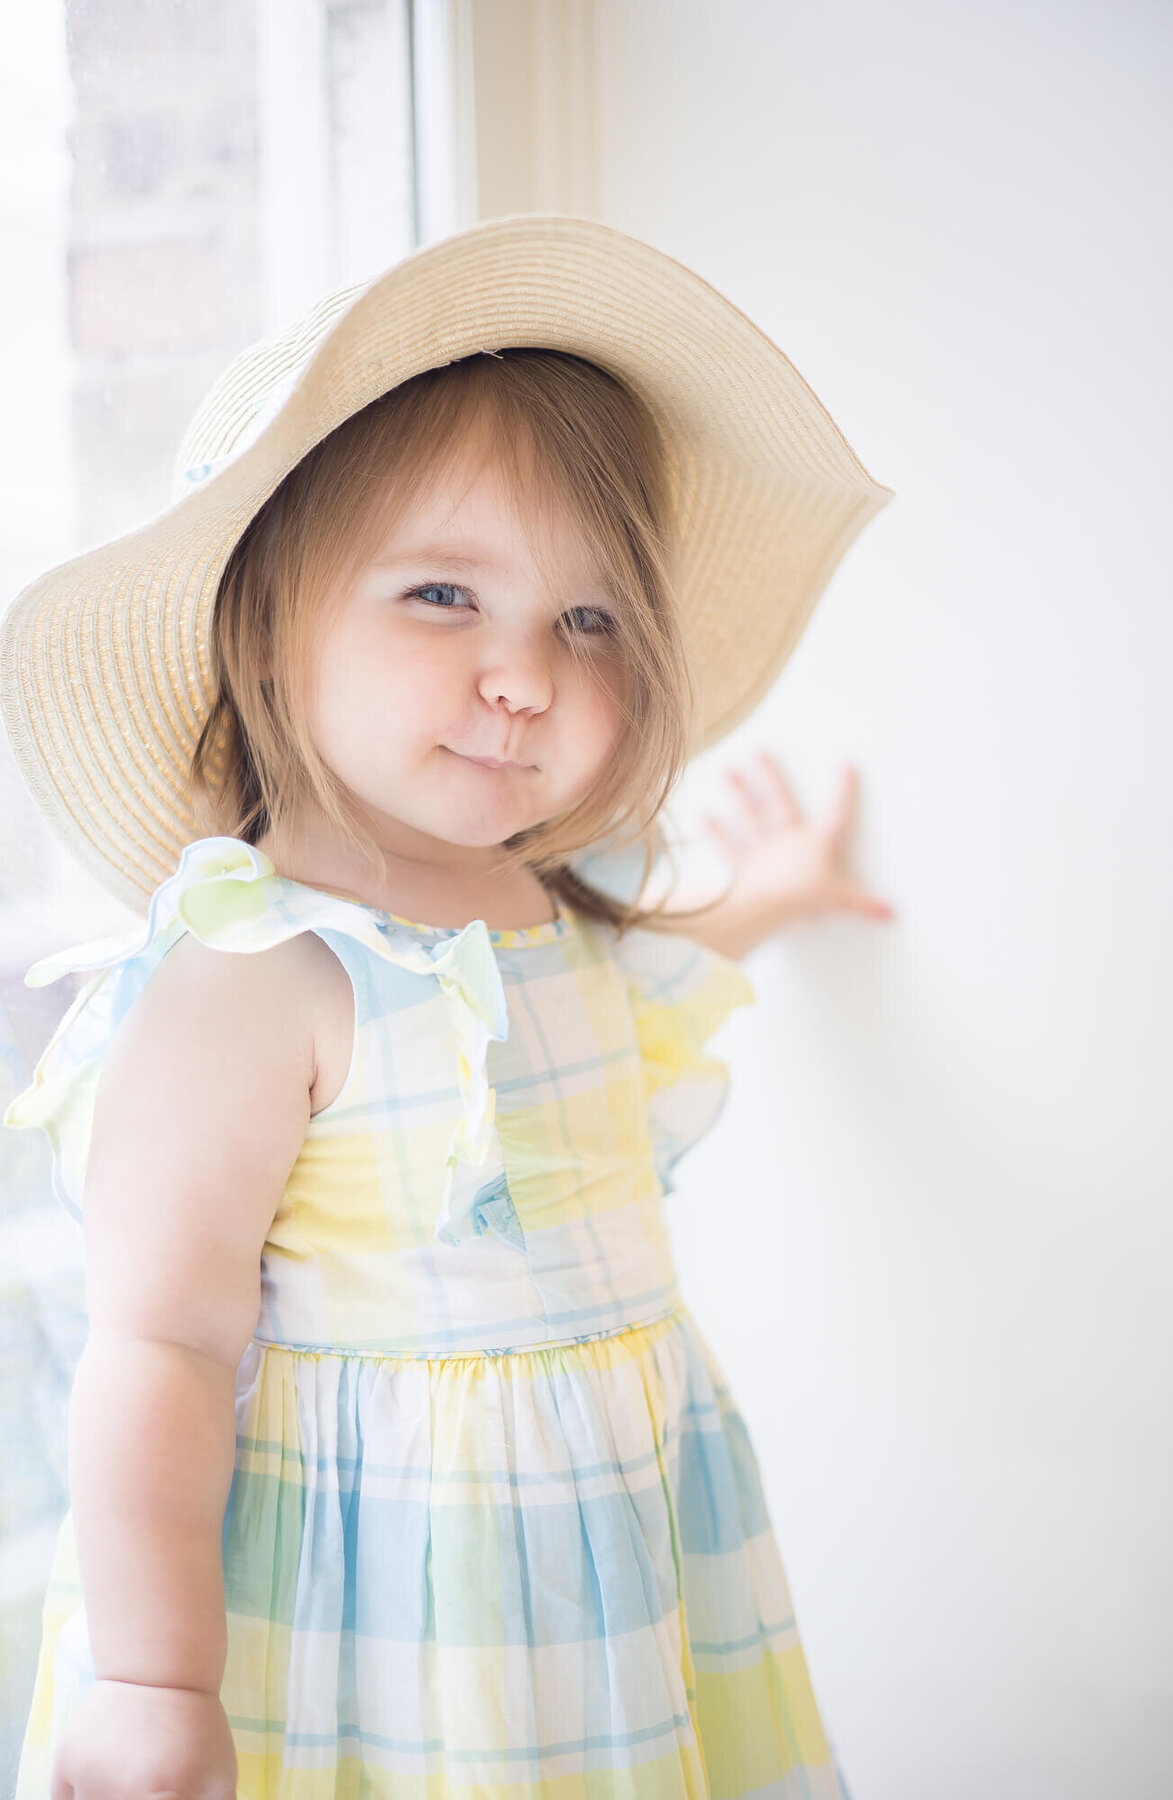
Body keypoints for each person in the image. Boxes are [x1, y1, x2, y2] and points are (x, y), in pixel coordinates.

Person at [2, 215, 894, 1799]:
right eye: (439, 596)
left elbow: (629, 1001)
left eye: (589, 619)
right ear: (264, 620)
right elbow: (158, 1342)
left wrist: (772, 887)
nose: (526, 678)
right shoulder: (258, 969)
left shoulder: (548, 907)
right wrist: (153, 1676)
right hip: (389, 1614)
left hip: (612, 1569)